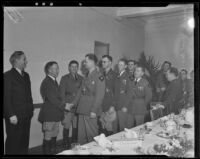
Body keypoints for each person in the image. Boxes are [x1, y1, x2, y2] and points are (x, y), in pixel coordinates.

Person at [69, 54, 105, 145]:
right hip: (82, 108)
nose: (84, 63)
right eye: (84, 61)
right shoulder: (86, 76)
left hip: (90, 109)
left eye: (86, 61)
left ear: (93, 62)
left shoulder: (99, 76)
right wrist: (73, 103)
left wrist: (94, 110)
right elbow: (80, 92)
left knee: (91, 135)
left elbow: (99, 95)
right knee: (81, 136)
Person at [4, 51, 34, 154]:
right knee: (13, 142)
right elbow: (6, 97)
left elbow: (29, 95)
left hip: (27, 115)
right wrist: (11, 114)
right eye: (24, 59)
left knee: (24, 142)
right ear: (16, 60)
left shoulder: (26, 75)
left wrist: (31, 110)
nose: (26, 61)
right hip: (15, 116)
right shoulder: (7, 76)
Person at [38, 61, 70, 154]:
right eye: (55, 68)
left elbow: (58, 98)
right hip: (49, 114)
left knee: (54, 134)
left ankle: (52, 152)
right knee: (48, 135)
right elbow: (53, 99)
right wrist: (65, 106)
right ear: (49, 70)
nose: (58, 70)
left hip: (55, 113)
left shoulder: (53, 81)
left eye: (58, 68)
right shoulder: (48, 82)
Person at [59, 60, 83, 149]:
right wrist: (65, 106)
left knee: (76, 126)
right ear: (69, 68)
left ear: (78, 68)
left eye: (76, 66)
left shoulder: (81, 78)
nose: (74, 68)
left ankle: (74, 142)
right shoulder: (64, 78)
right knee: (67, 125)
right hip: (68, 106)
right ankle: (65, 143)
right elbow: (61, 94)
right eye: (72, 66)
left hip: (78, 106)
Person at [112, 58, 134, 132]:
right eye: (118, 64)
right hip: (118, 105)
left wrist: (125, 106)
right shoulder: (117, 75)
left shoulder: (129, 76)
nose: (119, 66)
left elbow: (130, 93)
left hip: (124, 105)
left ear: (125, 66)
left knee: (124, 127)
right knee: (119, 127)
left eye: (121, 65)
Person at [99, 55, 117, 136]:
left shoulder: (114, 75)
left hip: (110, 104)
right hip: (102, 104)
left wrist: (113, 105)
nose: (102, 63)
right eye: (102, 61)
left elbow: (116, 92)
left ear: (110, 63)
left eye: (104, 61)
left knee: (109, 127)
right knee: (102, 126)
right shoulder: (101, 74)